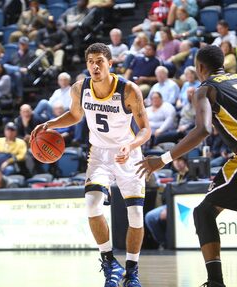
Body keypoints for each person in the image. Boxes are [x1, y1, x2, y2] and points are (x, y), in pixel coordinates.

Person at [136, 45, 237, 287]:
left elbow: (201, 130)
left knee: (204, 212)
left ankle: (215, 282)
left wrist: (162, 159)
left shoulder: (205, 89)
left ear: (200, 67)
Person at [31, 43, 151, 287]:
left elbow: (146, 129)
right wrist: (50, 124)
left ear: (110, 63)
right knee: (92, 205)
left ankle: (132, 271)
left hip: (128, 153)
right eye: (90, 62)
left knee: (136, 215)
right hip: (99, 154)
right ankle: (109, 262)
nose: (95, 66)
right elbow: (75, 116)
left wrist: (131, 145)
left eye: (100, 61)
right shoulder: (80, 88)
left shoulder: (128, 90)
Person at [144, 156, 189, 248]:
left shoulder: (192, 174)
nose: (177, 163)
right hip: (171, 205)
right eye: (175, 160)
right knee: (150, 217)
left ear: (185, 161)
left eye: (180, 160)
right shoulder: (176, 176)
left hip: (184, 205)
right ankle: (165, 243)